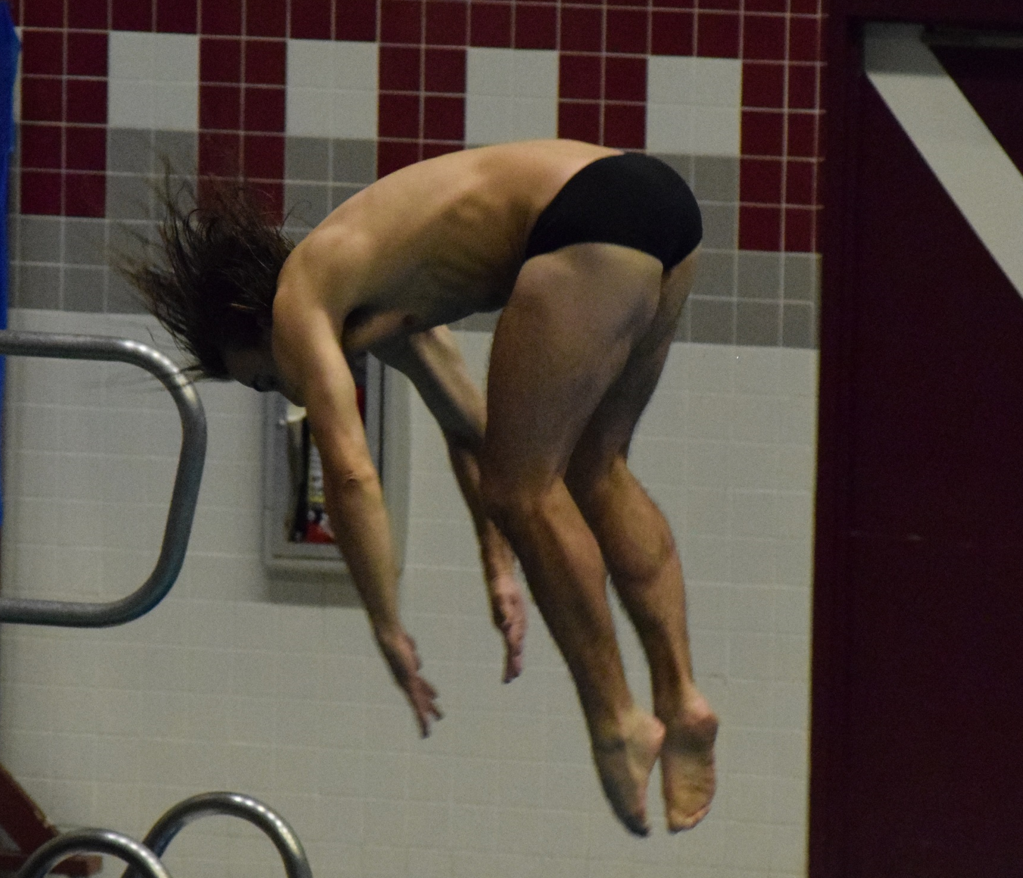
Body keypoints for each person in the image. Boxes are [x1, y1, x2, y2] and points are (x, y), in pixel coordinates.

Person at [129, 139, 717, 836]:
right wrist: (497, 565)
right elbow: (473, 428)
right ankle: (681, 700)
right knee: (596, 468)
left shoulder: (301, 294)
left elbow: (350, 474)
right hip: (661, 209)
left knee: (527, 490)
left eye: (261, 376)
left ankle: (618, 720)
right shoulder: (384, 282)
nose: (281, 386)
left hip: (586, 218)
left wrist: (386, 625)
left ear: (251, 322)